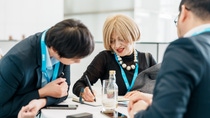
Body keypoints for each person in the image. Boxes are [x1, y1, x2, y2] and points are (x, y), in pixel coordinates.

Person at [128, 0, 210, 118]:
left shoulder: (186, 47)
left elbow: (163, 116)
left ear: (184, 13)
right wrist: (155, 100)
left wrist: (138, 112)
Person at [0, 19, 94, 118]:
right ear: (54, 49)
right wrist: (42, 92)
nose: (78, 61)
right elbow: (2, 109)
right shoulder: (15, 61)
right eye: (75, 58)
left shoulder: (64, 46)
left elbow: (63, 92)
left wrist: (42, 102)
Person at [73, 14, 157, 102]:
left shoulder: (147, 59)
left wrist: (144, 95)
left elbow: (164, 90)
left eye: (121, 39)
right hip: (112, 111)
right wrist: (83, 92)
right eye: (112, 41)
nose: (116, 45)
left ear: (132, 35)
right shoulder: (104, 58)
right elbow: (79, 84)